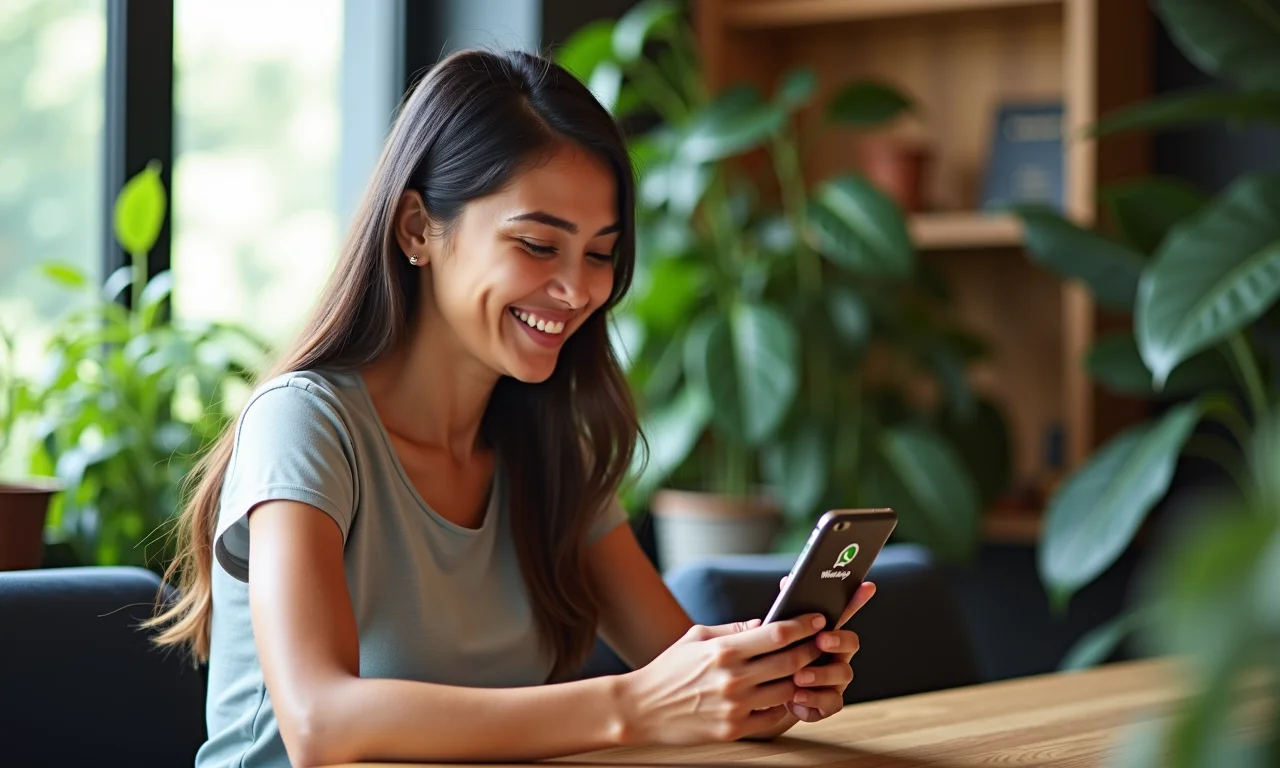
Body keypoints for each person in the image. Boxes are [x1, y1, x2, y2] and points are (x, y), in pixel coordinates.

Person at [148, 48, 876, 768]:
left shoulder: (554, 446)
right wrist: (632, 706)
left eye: (600, 255)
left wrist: (766, 684)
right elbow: (321, 725)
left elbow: (682, 681)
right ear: (416, 229)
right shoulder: (303, 424)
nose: (576, 290)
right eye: (536, 245)